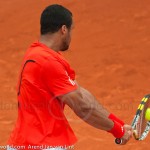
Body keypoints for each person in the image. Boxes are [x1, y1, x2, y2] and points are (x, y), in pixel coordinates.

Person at [7, 4, 132, 150]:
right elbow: (82, 107)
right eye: (71, 30)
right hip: (44, 144)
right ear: (64, 29)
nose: (71, 35)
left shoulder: (37, 53)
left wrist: (119, 123)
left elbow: (82, 94)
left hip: (23, 143)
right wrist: (118, 131)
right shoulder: (48, 61)